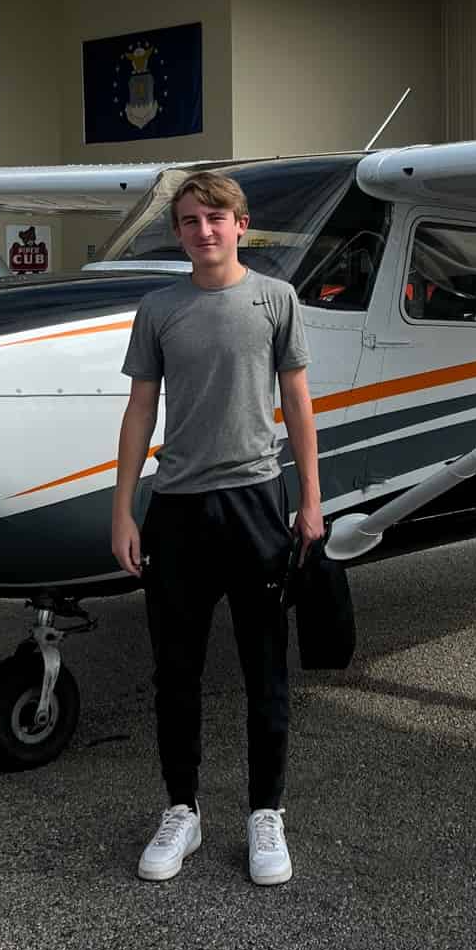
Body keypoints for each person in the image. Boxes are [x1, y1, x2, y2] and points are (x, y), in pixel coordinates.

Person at [110, 172, 322, 886]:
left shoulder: (275, 300)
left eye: (215, 218)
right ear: (179, 232)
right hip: (176, 512)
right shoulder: (159, 308)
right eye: (190, 220)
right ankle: (182, 810)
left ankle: (266, 814)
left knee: (265, 669)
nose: (203, 230)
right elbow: (140, 410)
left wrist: (310, 501)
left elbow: (296, 404)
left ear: (241, 225)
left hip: (257, 505)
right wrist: (122, 511)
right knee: (176, 672)